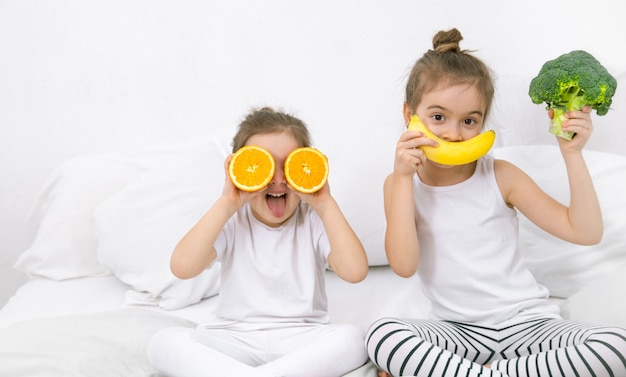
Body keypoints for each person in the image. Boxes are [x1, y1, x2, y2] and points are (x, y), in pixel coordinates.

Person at [366, 28, 626, 377]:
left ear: (483, 123)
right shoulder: (400, 185)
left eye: (469, 121)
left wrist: (572, 154)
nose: (453, 133)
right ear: (409, 113)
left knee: (616, 345)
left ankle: (484, 373)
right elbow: (404, 265)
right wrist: (400, 179)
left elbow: (586, 232)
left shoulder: (500, 175)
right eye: (438, 117)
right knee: (382, 336)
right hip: (456, 332)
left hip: (528, 325)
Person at [148, 107, 369, 377]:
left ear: (306, 166)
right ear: (239, 169)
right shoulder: (232, 219)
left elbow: (355, 271)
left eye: (289, 165)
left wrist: (324, 202)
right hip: (231, 338)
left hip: (302, 339)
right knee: (164, 341)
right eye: (262, 165)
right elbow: (183, 267)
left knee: (354, 338)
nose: (277, 179)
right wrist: (227, 202)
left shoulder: (313, 218)